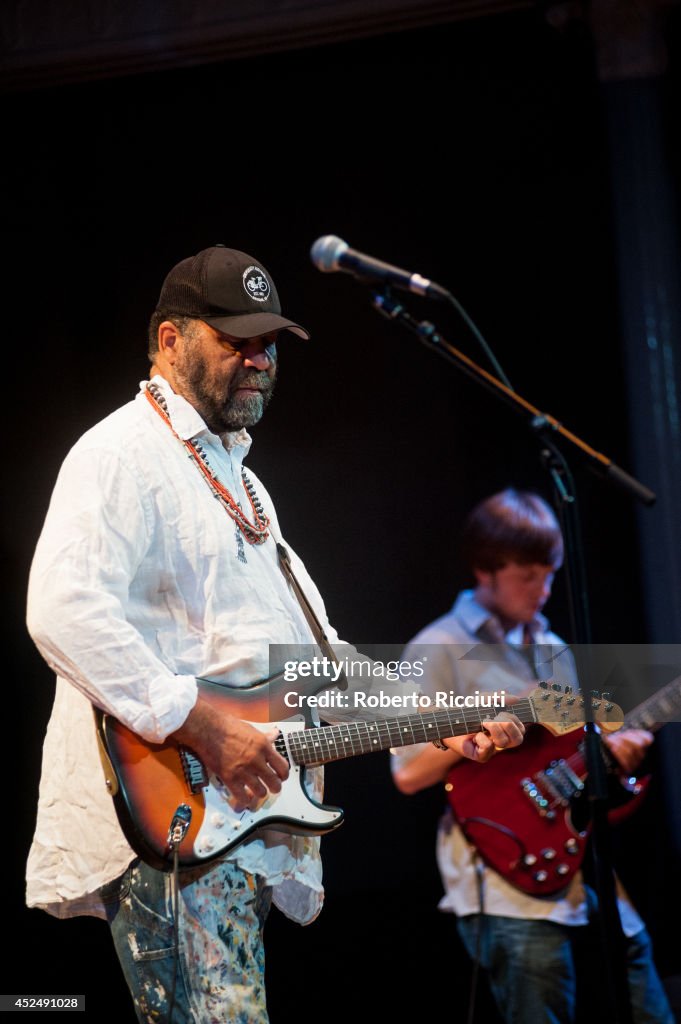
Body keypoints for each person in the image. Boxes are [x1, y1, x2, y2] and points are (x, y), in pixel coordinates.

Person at [25, 245, 525, 1024]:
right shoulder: (119, 453)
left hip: (239, 827)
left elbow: (319, 659)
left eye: (268, 343)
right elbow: (60, 608)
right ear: (168, 340)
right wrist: (205, 729)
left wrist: (446, 716)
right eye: (235, 339)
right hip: (176, 822)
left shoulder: (240, 479)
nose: (259, 358)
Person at [392, 488, 675, 1024]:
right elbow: (407, 773)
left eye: (550, 574)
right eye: (528, 575)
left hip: (583, 864)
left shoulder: (554, 645)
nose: (543, 590)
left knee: (645, 992)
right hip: (502, 879)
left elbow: (572, 755)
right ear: (485, 569)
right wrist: (488, 719)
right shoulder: (438, 647)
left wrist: (612, 753)